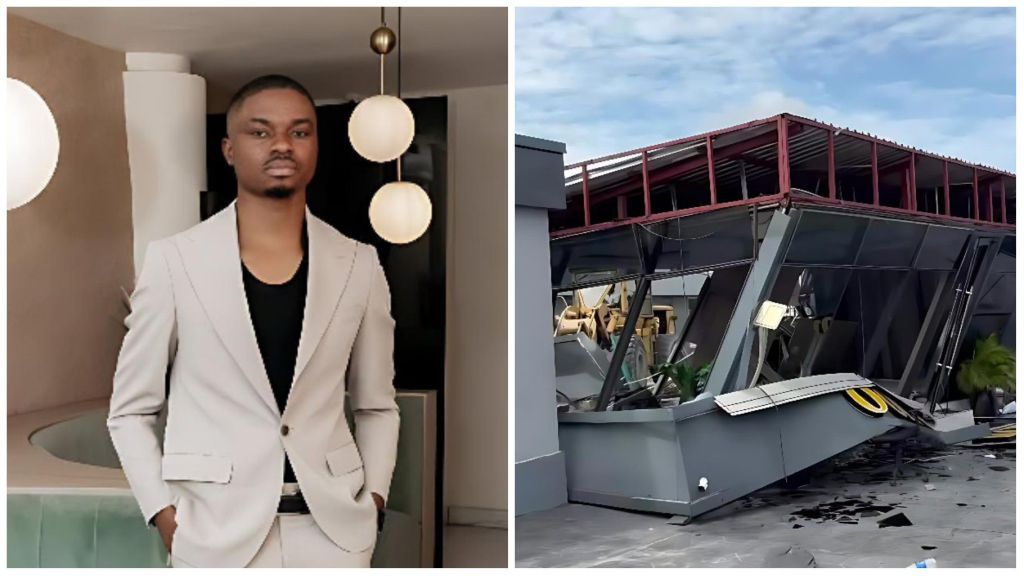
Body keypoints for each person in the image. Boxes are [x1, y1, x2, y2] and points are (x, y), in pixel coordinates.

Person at [107, 74, 400, 568]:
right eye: (260, 132)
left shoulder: (360, 264)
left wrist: (372, 500)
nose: (282, 144)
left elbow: (377, 405)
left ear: (316, 147)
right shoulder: (174, 262)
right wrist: (164, 516)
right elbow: (130, 410)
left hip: (334, 532)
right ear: (228, 149)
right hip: (214, 533)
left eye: (299, 132)